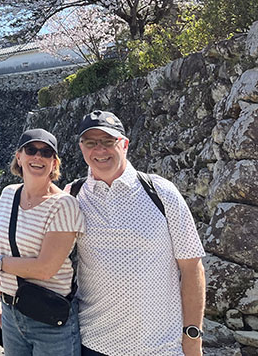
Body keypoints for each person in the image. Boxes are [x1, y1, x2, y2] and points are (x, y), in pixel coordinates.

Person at [71, 110, 206, 356]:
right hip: (94, 344)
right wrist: (0, 264)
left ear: (124, 144)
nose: (99, 150)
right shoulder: (73, 196)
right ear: (82, 148)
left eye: (108, 141)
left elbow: (192, 268)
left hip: (161, 347)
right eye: (91, 143)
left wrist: (193, 336)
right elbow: (42, 248)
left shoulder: (161, 193)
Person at [0, 128, 85, 356]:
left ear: (54, 163)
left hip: (49, 320)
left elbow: (46, 268)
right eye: (31, 150)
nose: (38, 157)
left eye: (46, 152)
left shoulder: (63, 205)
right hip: (11, 313)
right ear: (19, 157)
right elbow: (5, 249)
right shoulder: (8, 195)